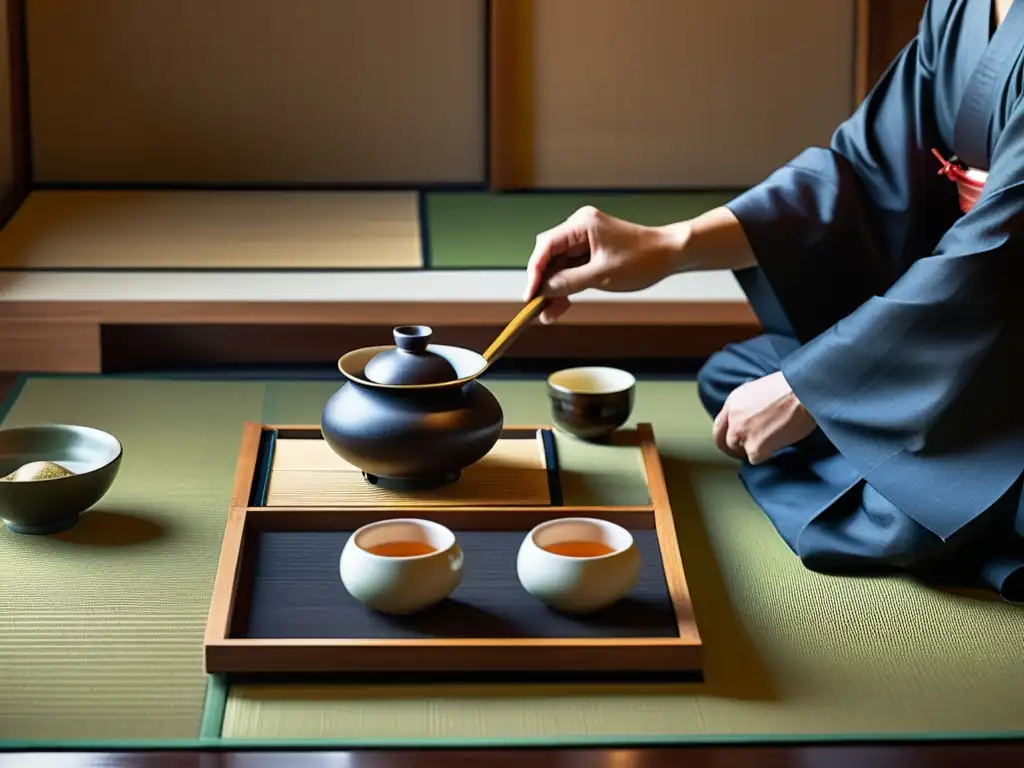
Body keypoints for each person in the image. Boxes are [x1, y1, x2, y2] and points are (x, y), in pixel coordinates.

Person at [523, 0, 1024, 603]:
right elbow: (866, 170)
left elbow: (995, 256)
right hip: (964, 335)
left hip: (1002, 328)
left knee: (897, 517)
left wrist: (810, 389)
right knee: (733, 378)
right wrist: (670, 244)